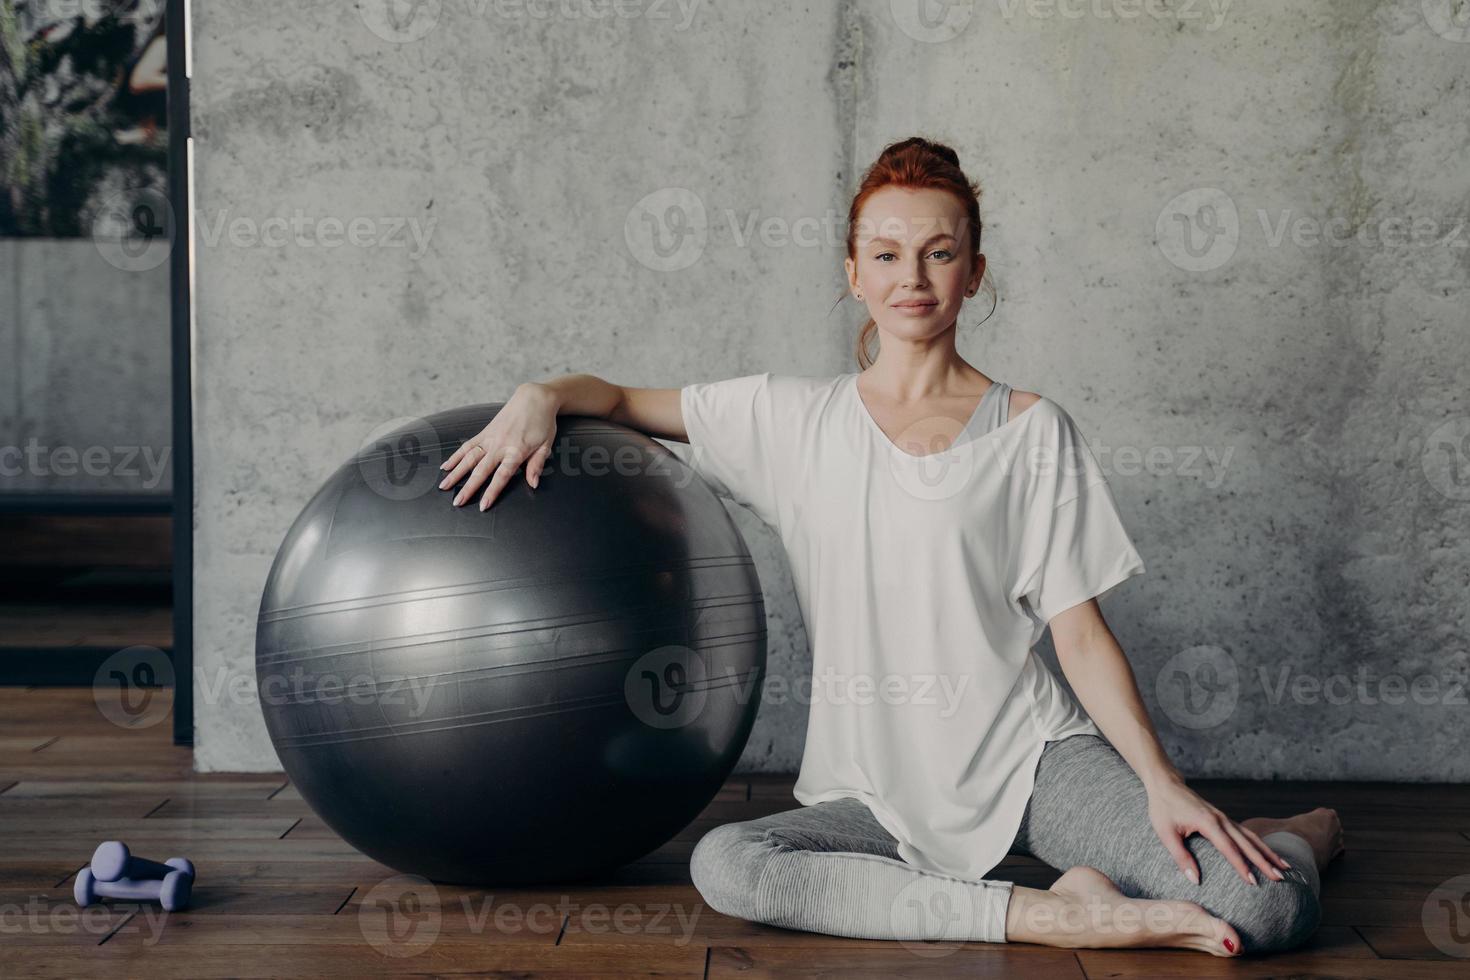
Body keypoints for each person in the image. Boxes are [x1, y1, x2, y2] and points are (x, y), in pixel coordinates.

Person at [433, 137, 1344, 957]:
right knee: (732, 863)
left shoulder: (1032, 431)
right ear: (855, 272)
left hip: (1031, 763)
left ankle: (1308, 830)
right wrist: (537, 394)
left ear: (974, 272)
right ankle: (1054, 913)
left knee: (1263, 909)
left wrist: (1161, 783)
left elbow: (1080, 635)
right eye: (888, 254)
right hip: (872, 791)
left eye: (940, 253)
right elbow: (624, 401)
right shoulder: (787, 419)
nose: (915, 275)